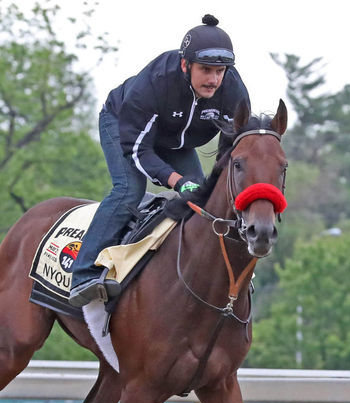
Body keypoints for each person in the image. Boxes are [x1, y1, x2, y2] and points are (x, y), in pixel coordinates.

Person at [68, 14, 250, 307]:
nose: (214, 79)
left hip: (176, 139)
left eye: (220, 71)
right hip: (125, 126)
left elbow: (229, 153)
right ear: (184, 65)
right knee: (129, 190)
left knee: (204, 201)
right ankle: (83, 273)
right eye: (206, 70)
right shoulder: (155, 84)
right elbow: (139, 151)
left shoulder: (234, 93)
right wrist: (178, 182)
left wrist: (210, 188)